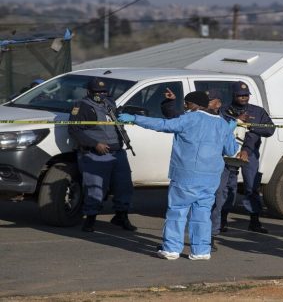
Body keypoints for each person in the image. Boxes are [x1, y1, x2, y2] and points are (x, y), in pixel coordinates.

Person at [118, 91, 238, 260]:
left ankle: (171, 249)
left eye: (187, 104)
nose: (185, 107)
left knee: (177, 211)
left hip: (186, 175)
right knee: (203, 214)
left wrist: (135, 119)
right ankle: (201, 251)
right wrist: (230, 131)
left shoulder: (189, 119)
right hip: (210, 178)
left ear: (195, 105)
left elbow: (162, 124)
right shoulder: (222, 124)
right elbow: (231, 150)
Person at [68, 77, 136, 233]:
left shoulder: (109, 103)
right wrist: (94, 144)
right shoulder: (81, 107)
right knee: (95, 188)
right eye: (97, 92)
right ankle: (90, 220)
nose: (101, 94)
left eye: (103, 91)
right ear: (89, 92)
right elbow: (74, 130)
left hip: (117, 152)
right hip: (96, 154)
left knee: (124, 186)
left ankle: (121, 217)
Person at [220, 81, 276, 234]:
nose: (244, 98)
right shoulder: (224, 111)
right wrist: (237, 121)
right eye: (240, 95)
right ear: (233, 95)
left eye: (246, 95)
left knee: (252, 188)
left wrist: (251, 126)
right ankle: (222, 221)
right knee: (226, 188)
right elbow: (219, 131)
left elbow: (270, 129)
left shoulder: (257, 111)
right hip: (229, 155)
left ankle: (254, 222)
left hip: (250, 155)